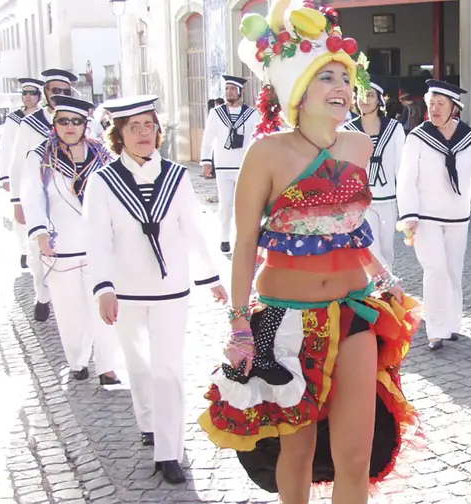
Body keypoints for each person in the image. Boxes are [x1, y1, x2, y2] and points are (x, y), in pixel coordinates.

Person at [199, 2, 420, 501]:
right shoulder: (266, 153)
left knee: (356, 454)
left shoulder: (360, 146)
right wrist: (238, 323)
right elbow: (245, 245)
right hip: (284, 321)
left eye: (345, 75)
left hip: (355, 311)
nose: (342, 86)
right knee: (295, 453)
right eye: (327, 77)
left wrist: (385, 274)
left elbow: (352, 231)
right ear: (298, 90)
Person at [84, 94, 228, 484]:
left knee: (168, 369)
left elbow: (192, 230)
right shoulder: (102, 182)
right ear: (119, 135)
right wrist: (104, 289)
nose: (144, 134)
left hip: (171, 290)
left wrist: (211, 276)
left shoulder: (177, 177)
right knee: (139, 364)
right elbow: (96, 239)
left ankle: (169, 451)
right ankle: (148, 421)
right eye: (134, 127)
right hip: (126, 290)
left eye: (150, 126)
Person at [397, 79, 471, 351]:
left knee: (452, 272)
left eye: (440, 104)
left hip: (458, 217)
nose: (433, 109)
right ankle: (435, 329)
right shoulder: (417, 138)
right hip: (425, 217)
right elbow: (406, 178)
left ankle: (451, 324)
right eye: (431, 104)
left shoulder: (470, 138)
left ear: (453, 108)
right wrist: (409, 213)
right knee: (435, 269)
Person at [19, 95, 122, 385]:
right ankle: (77, 360)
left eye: (76, 121)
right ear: (54, 123)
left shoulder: (103, 155)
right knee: (70, 309)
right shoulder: (40, 157)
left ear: (85, 124)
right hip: (60, 243)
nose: (69, 126)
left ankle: (107, 366)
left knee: (105, 304)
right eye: (63, 121)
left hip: (99, 245)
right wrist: (39, 233)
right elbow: (32, 196)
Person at [9, 69, 79, 322]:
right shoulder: (30, 123)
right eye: (54, 91)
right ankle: (42, 295)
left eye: (65, 91)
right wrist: (17, 201)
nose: (59, 96)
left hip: (72, 199)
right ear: (45, 93)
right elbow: (17, 164)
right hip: (39, 195)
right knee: (39, 254)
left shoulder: (82, 120)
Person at [342, 79, 406, 270]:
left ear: (379, 100)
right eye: (361, 95)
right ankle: (381, 287)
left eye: (370, 95)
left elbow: (401, 168)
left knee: (387, 249)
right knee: (371, 247)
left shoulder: (394, 129)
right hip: (362, 201)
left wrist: (406, 205)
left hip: (388, 199)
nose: (365, 100)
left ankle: (386, 291)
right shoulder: (347, 131)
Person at [200, 75, 263, 253]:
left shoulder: (252, 114)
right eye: (227, 89)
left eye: (233, 89)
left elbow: (258, 138)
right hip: (223, 166)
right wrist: (206, 160)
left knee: (244, 205)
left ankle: (242, 239)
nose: (229, 92)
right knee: (225, 204)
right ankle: (224, 238)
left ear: (240, 92)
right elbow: (208, 138)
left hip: (245, 166)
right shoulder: (216, 113)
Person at [0, 77, 44, 269]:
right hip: (21, 170)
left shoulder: (45, 117)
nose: (27, 97)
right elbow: (6, 147)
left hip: (42, 171)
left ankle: (40, 248)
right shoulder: (14, 118)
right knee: (20, 214)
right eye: (24, 93)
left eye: (32, 93)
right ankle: (25, 250)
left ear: (39, 96)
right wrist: (5, 175)